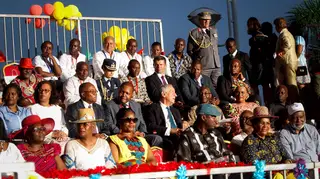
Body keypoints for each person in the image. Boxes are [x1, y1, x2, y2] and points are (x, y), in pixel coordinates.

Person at [177, 104, 235, 179]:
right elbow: (184, 162)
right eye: (213, 117)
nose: (216, 121)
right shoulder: (187, 135)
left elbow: (227, 153)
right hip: (202, 174)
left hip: (223, 171)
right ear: (203, 117)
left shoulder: (216, 133)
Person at [144, 84, 188, 158]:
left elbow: (180, 127)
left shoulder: (175, 111)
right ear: (163, 94)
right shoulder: (153, 108)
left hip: (178, 136)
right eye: (173, 92)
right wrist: (169, 130)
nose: (176, 95)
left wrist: (184, 124)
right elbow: (151, 126)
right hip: (164, 136)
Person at [187, 12, 221, 88]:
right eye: (204, 20)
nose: (206, 22)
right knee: (205, 86)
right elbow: (189, 50)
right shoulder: (194, 33)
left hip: (216, 64)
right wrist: (198, 60)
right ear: (200, 20)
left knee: (217, 86)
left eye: (208, 20)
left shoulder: (214, 31)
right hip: (204, 65)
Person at [247, 17, 275, 106]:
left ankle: (260, 105)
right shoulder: (257, 36)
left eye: (249, 25)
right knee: (264, 86)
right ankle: (264, 105)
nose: (247, 27)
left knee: (258, 86)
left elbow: (261, 49)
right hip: (260, 65)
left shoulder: (258, 36)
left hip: (259, 65)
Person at [274, 17, 299, 102]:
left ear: (278, 26)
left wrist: (281, 52)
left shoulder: (284, 34)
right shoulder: (286, 33)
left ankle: (295, 101)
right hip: (288, 62)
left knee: (291, 84)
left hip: (288, 62)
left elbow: (287, 44)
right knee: (290, 83)